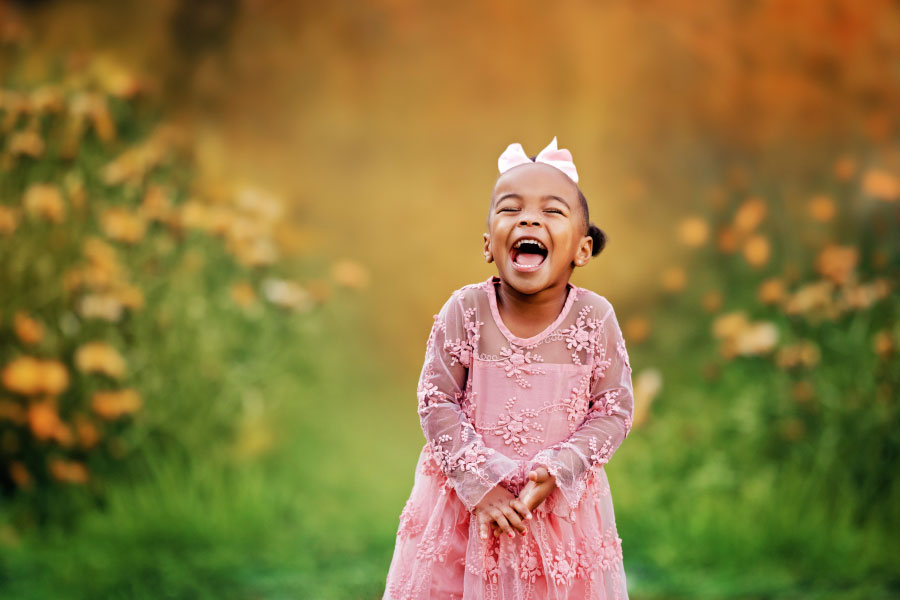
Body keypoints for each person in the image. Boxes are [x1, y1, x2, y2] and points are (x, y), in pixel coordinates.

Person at [383, 137, 633, 599]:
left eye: (552, 211)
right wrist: (479, 483)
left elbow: (614, 410)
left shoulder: (595, 319)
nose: (529, 218)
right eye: (510, 208)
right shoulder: (466, 310)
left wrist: (561, 468)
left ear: (582, 249)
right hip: (465, 509)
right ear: (487, 244)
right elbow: (436, 400)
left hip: (557, 513)